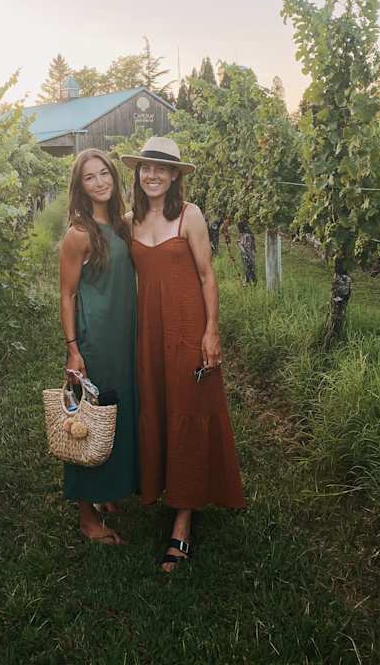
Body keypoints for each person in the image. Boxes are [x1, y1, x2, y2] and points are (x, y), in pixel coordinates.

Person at [121, 136, 245, 572]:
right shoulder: (129, 222)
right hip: (149, 332)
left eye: (161, 168)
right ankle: (159, 485)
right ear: (138, 173)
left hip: (188, 326)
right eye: (145, 167)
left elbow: (208, 276)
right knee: (156, 407)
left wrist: (211, 331)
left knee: (188, 410)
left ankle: (183, 521)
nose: (152, 174)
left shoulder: (189, 215)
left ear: (175, 175)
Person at [58, 149, 139, 545]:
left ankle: (107, 490)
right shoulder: (79, 234)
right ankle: (87, 517)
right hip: (96, 341)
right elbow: (67, 294)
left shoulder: (123, 225)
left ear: (114, 176)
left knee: (117, 415)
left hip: (125, 338)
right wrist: (74, 349)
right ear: (80, 186)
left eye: (104, 173)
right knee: (88, 421)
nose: (100, 182)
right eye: (89, 177)